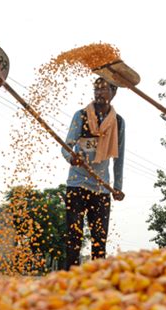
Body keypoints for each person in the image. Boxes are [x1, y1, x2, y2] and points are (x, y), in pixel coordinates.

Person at [61, 77, 125, 270]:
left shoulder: (118, 122)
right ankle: (69, 276)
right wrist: (72, 157)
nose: (98, 93)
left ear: (113, 93)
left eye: (103, 89)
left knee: (99, 238)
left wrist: (117, 187)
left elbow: (119, 157)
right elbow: (67, 146)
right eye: (96, 89)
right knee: (73, 235)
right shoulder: (80, 116)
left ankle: (97, 279)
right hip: (76, 183)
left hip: (101, 187)